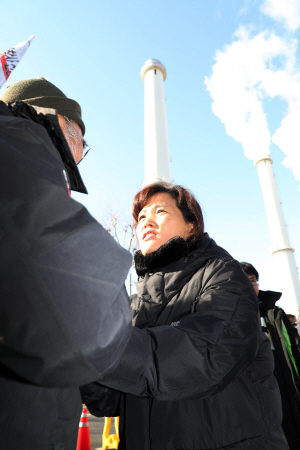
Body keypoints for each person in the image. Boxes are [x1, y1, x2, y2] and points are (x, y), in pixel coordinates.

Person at [81, 182, 288, 450]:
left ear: (192, 225)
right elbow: (110, 401)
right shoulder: (133, 305)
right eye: (141, 217)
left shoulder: (223, 276)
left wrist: (97, 344)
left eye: (160, 212)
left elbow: (204, 357)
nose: (146, 221)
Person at [0, 78, 132, 450]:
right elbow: (85, 325)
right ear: (63, 124)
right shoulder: (15, 152)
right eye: (82, 142)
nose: (79, 154)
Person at [241, 262, 300, 450]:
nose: (251, 286)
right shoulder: (228, 315)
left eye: (253, 281)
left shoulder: (274, 314)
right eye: (244, 281)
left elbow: (291, 353)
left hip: (284, 383)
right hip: (252, 392)